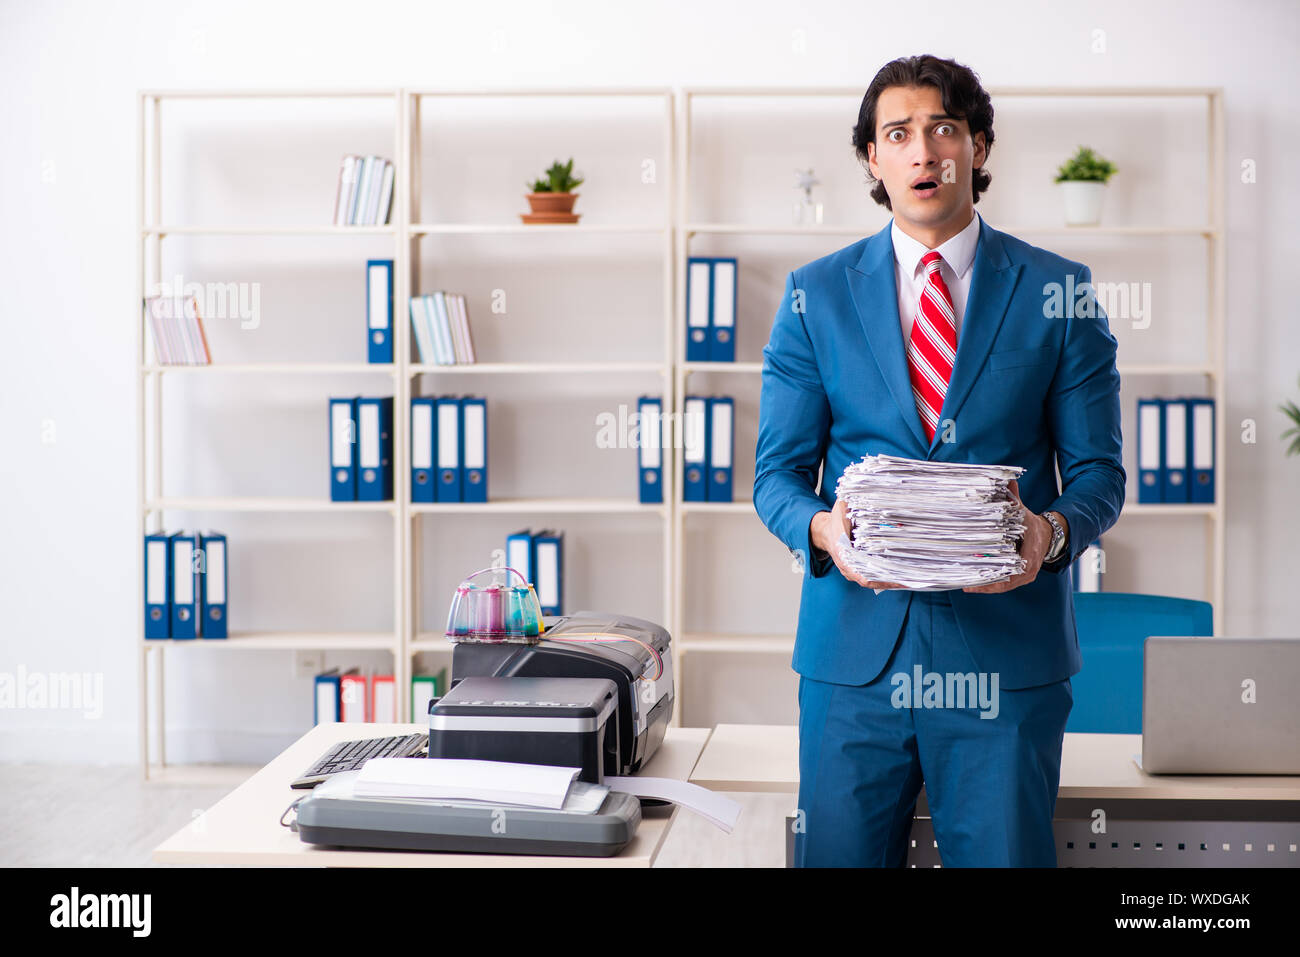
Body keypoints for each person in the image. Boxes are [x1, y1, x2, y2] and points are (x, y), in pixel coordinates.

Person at [753, 53, 1125, 867]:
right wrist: (823, 529)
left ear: (980, 147)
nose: (923, 152)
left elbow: (1100, 474)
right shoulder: (816, 295)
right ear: (872, 160)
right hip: (855, 664)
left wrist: (1049, 535)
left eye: (943, 129)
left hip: (1006, 661)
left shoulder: (1058, 291)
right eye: (899, 134)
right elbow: (774, 476)